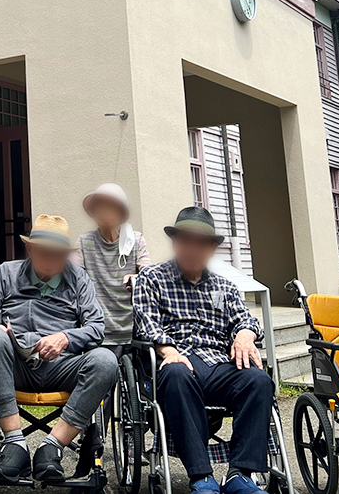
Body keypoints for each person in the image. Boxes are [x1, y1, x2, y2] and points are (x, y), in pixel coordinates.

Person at [133, 206, 272, 494]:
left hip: (218, 364)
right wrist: (168, 350)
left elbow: (245, 319)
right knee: (176, 372)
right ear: (175, 242)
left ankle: (240, 475)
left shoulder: (225, 287)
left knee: (259, 380)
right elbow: (146, 323)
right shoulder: (152, 278)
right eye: (185, 241)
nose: (192, 249)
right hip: (175, 361)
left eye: (200, 243)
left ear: (211, 249)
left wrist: (245, 335)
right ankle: (201, 477)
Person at [0, 215, 118, 483]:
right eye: (44, 250)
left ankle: (52, 447)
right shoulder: (6, 273)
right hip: (15, 366)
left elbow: (97, 328)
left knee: (106, 361)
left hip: (62, 367)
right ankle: (15, 444)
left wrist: (66, 338)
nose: (51, 257)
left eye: (58, 253)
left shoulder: (79, 278)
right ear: (30, 248)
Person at [74, 183, 152, 344]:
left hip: (133, 330)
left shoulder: (135, 240)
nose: (104, 210)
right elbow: (71, 277)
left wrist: (138, 278)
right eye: (99, 205)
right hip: (98, 331)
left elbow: (150, 276)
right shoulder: (84, 242)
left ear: (121, 211)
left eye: (110, 205)